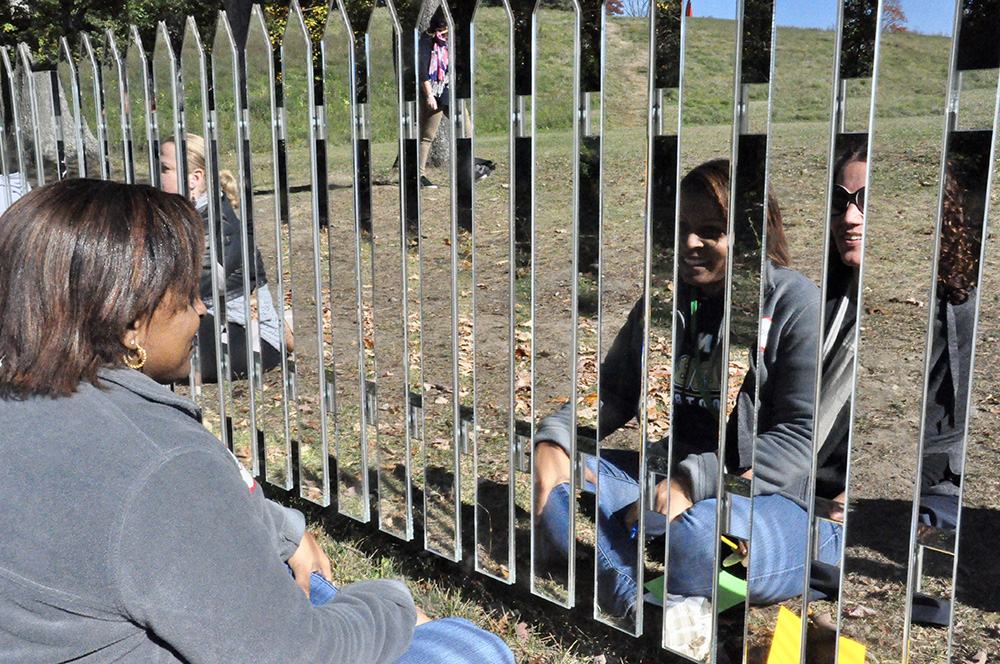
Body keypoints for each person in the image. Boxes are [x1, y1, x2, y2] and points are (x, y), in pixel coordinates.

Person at [0, 179, 514, 664]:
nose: (201, 311)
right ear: (132, 325)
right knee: (470, 649)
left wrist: (279, 528)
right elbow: (292, 654)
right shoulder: (156, 459)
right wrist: (393, 605)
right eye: (185, 295)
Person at [532, 159, 842, 617]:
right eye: (679, 228)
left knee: (696, 536)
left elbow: (797, 440)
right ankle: (636, 597)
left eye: (710, 230)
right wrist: (558, 437)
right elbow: (615, 393)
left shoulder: (795, 303)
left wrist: (693, 480)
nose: (689, 244)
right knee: (561, 481)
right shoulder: (662, 299)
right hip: (665, 485)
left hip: (765, 500)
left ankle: (644, 570)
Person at [160, 134, 292, 384]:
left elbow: (183, 294)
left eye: (165, 169)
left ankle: (285, 328)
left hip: (246, 340)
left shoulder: (216, 229)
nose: (156, 177)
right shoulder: (187, 217)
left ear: (194, 178)